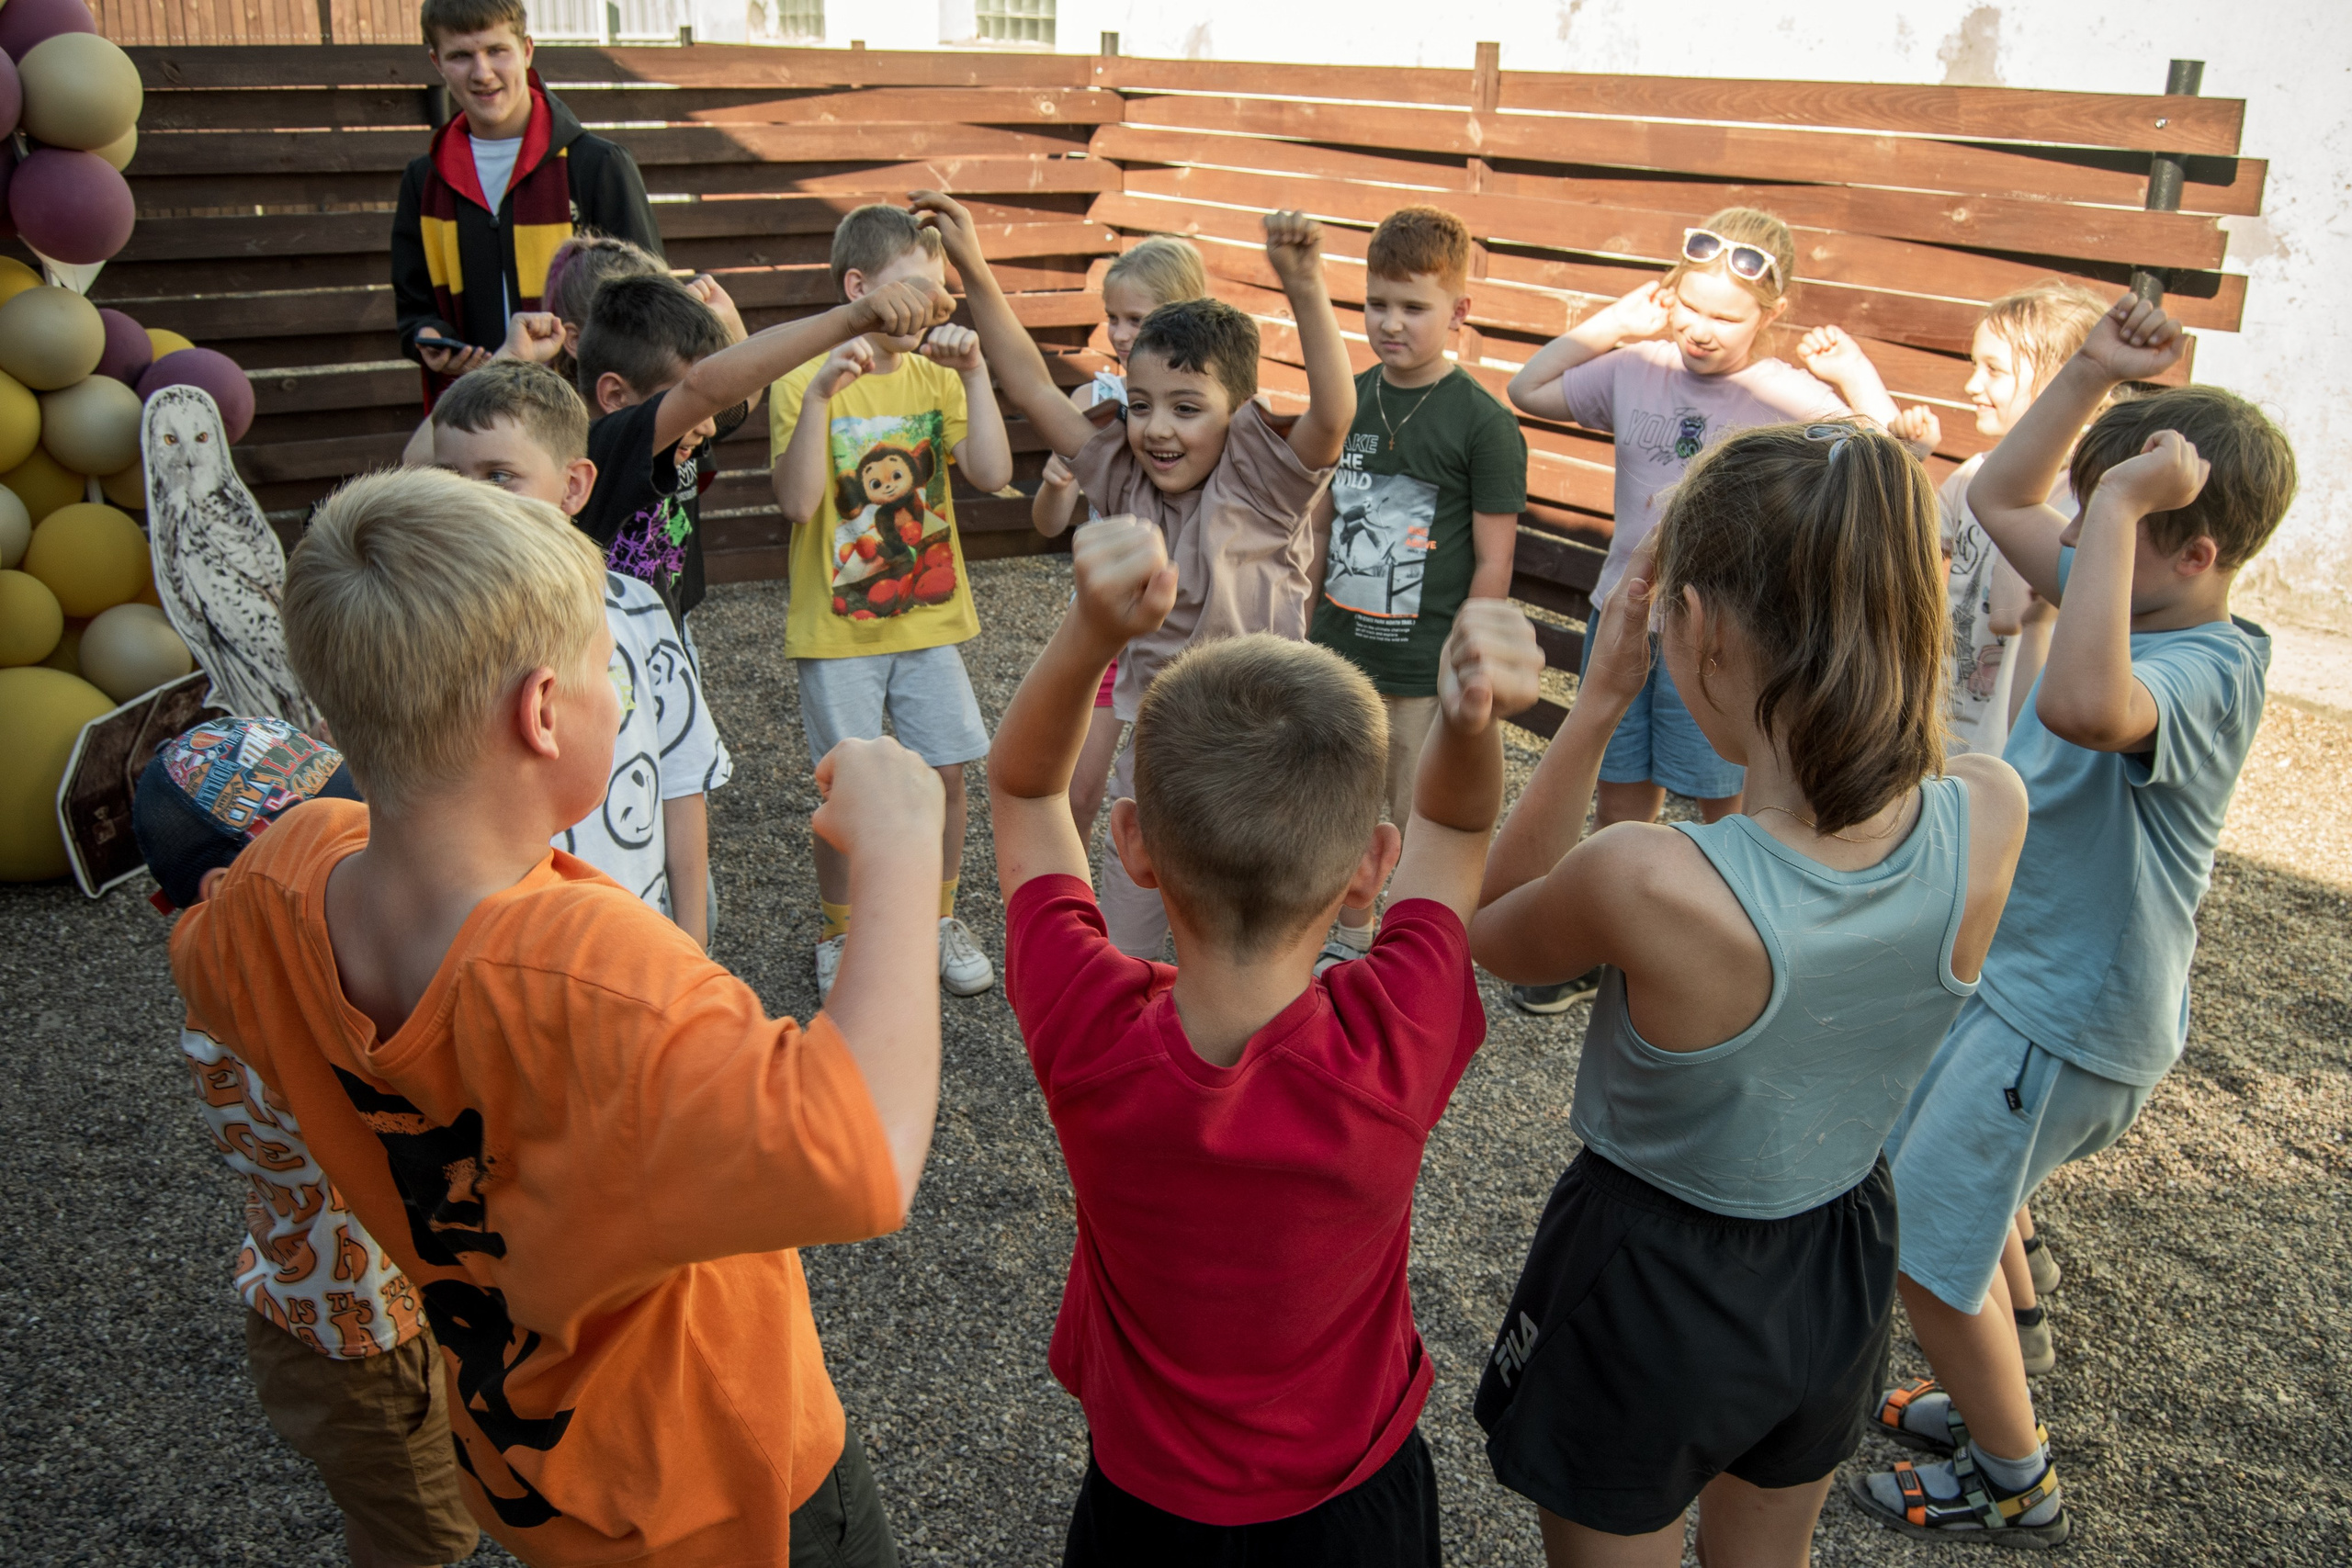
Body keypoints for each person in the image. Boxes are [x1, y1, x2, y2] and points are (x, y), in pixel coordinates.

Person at [169, 465, 945, 1565]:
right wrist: (907, 847)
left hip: (528, 1481)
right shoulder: (595, 976)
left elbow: (202, 954)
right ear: (541, 712)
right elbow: (862, 1155)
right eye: (604, 671)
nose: (617, 697)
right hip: (723, 1499)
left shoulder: (280, 881)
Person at [1466, 421, 2029, 1567]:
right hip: (1840, 1247)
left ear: (1699, 626)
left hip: (1650, 1272)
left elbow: (1488, 931)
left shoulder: (1651, 877)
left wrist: (1596, 700)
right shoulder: (1989, 809)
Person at [989, 512, 1544, 1563]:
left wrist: (1088, 633)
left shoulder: (1086, 1026)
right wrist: (1469, 724)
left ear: (1134, 847)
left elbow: (1021, 790)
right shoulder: (1397, 1035)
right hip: (1352, 1509)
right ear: (1366, 874)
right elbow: (1461, 830)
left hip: (1143, 1511)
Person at [1853, 296, 2296, 1547]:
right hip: (2021, 985)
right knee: (1939, 1205)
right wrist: (2090, 377)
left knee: (1932, 1252)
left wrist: (2106, 514)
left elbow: (2090, 709)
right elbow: (2000, 500)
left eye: (2124, 523)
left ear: (2189, 551)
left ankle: (2016, 1473)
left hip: (2071, 1016)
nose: (2089, 534)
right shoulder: (2137, 595)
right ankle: (1985, 1387)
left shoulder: (2208, 666)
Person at [914, 188, 1357, 960]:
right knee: (1135, 943)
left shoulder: (1264, 481)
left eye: (1187, 408)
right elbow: (1028, 382)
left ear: (1237, 410)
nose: (1157, 427)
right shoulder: (1121, 474)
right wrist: (976, 269)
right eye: (1143, 403)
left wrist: (1305, 285)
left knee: (1252, 948)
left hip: (1263, 758)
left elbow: (1335, 411)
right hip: (1159, 759)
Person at [1502, 207, 1905, 1015]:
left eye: (1728, 317)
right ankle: (1617, 951)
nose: (1703, 330)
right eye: (1692, 306)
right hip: (1624, 614)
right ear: (1670, 294)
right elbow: (1526, 386)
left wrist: (1858, 379)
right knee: (1621, 788)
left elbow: (1881, 452)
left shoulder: (1784, 393)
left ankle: (1745, 939)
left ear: (1771, 315)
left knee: (1723, 793)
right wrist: (1614, 323)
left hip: (1723, 633)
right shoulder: (1636, 367)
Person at [133, 717, 479, 1568]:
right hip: (363, 1339)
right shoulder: (275, 1025)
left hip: (362, 1300)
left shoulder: (244, 980)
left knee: (399, 1518)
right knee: (428, 1538)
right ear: (231, 891)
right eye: (344, 862)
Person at [768, 204, 1016, 1000]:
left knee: (945, 774)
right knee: (848, 789)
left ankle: (938, 919)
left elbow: (988, 470)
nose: (936, 307)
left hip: (929, 621)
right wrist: (816, 403)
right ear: (858, 288)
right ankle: (842, 931)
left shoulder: (938, 375)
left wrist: (976, 373)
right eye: (917, 290)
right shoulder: (802, 376)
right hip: (837, 635)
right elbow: (801, 504)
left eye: (943, 293)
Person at [431, 359, 731, 945]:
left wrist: (693, 947)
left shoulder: (638, 614)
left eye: (498, 477)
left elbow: (681, 780)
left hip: (636, 941)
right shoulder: (422, 631)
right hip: (497, 953)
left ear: (573, 487)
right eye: (449, 476)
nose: (471, 501)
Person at [1308, 204, 1528, 973]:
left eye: (1412, 307)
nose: (1388, 323)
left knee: (1410, 811)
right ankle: (1348, 930)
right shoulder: (1351, 397)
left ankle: (1414, 950)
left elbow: (1494, 561)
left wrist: (1466, 658)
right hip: (1338, 649)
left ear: (1459, 311)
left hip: (1420, 667)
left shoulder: (1484, 424)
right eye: (1375, 304)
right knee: (1338, 801)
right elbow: (1324, 520)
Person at [576, 267, 952, 634]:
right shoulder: (599, 450)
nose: (709, 427)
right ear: (614, 396)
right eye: (693, 412)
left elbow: (734, 392)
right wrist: (852, 319)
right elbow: (703, 387)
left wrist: (736, 324)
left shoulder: (682, 436)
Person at [392, 0, 662, 405]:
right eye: (461, 56)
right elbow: (414, 308)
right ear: (437, 63)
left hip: (590, 412)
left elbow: (651, 303)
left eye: (496, 51)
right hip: (479, 413)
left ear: (527, 50)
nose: (482, 73)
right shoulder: (424, 180)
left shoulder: (597, 165)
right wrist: (427, 337)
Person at [1032, 235, 1210, 841]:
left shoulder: (1213, 407)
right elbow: (1049, 523)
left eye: (1137, 318)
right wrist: (1058, 481)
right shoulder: (1095, 400)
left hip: (1188, 626)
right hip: (1110, 624)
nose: (1120, 332)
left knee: (1175, 790)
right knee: (1078, 790)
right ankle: (1074, 917)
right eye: (1114, 318)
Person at [1940, 282, 2109, 762]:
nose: (1973, 385)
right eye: (1975, 365)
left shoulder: (2090, 494)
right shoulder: (1971, 473)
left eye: (1993, 370)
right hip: (1952, 707)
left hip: (2023, 730)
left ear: (2064, 382)